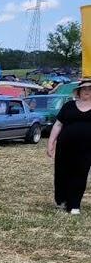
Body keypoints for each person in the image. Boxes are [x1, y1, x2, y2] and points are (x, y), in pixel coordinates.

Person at [47, 77, 91, 215]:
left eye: (90, 89)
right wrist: (51, 142)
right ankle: (62, 200)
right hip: (65, 147)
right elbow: (58, 124)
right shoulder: (68, 106)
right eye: (84, 89)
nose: (87, 91)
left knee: (80, 174)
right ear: (78, 91)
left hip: (86, 149)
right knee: (62, 173)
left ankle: (74, 204)